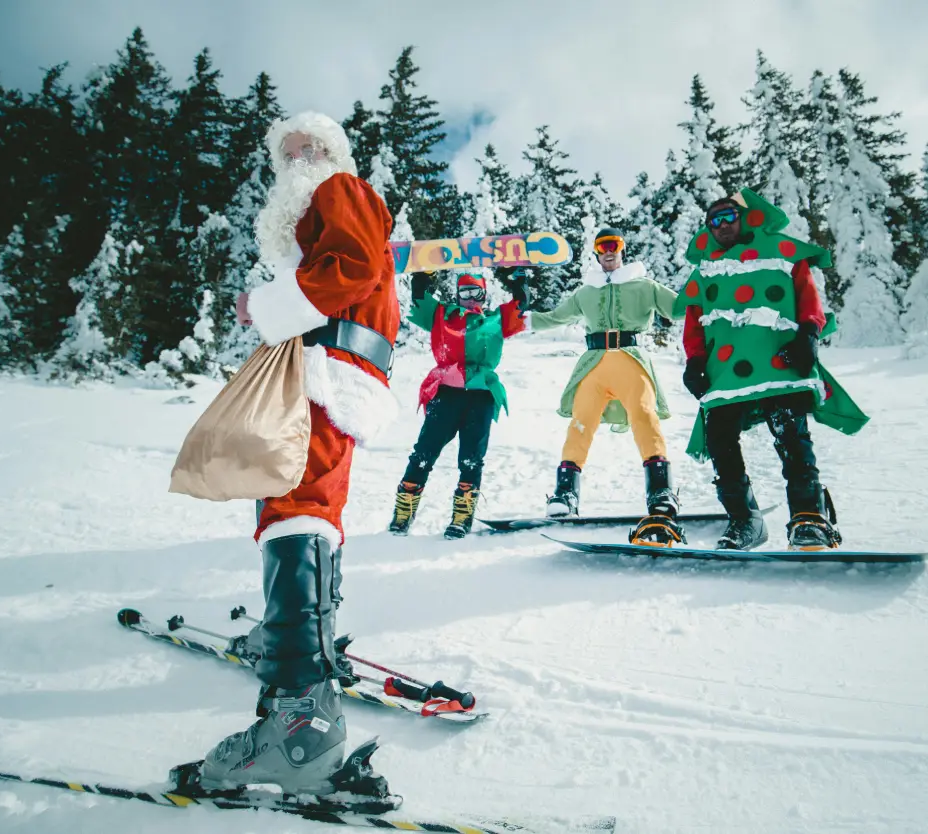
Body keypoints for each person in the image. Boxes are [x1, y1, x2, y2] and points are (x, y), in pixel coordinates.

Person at [188, 112, 399, 798]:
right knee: (309, 511)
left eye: (312, 146)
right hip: (334, 371)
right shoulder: (321, 210)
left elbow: (357, 268)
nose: (300, 157)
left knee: (291, 504)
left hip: (323, 370)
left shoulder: (339, 189)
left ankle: (300, 718)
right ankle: (307, 657)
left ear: (335, 154)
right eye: (289, 151)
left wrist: (268, 305)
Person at [677, 189, 868, 551]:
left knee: (792, 438)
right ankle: (744, 521)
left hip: (780, 364)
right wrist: (695, 360)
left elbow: (807, 295)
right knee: (720, 442)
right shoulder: (705, 270)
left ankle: (809, 518)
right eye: (713, 220)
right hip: (726, 373)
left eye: (728, 216)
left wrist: (809, 332)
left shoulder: (782, 252)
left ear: (744, 217)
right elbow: (693, 319)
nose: (721, 225)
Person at [529, 227, 684, 543]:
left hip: (631, 359)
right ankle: (564, 496)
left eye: (614, 245)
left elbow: (682, 308)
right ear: (596, 253)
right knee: (580, 425)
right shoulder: (585, 292)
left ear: (622, 248)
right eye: (602, 246)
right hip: (593, 365)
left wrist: (709, 291)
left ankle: (661, 493)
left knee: (644, 416)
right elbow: (554, 318)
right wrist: (519, 316)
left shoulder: (645, 286)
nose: (609, 251)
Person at [388, 267, 529, 538]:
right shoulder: (442, 315)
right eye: (464, 292)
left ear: (484, 294)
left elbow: (520, 307)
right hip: (446, 393)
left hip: (481, 395)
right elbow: (419, 299)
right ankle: (403, 512)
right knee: (423, 453)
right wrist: (422, 274)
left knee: (471, 459)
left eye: (476, 291)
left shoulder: (497, 319)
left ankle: (461, 517)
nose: (470, 298)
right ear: (458, 294)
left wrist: (519, 281)